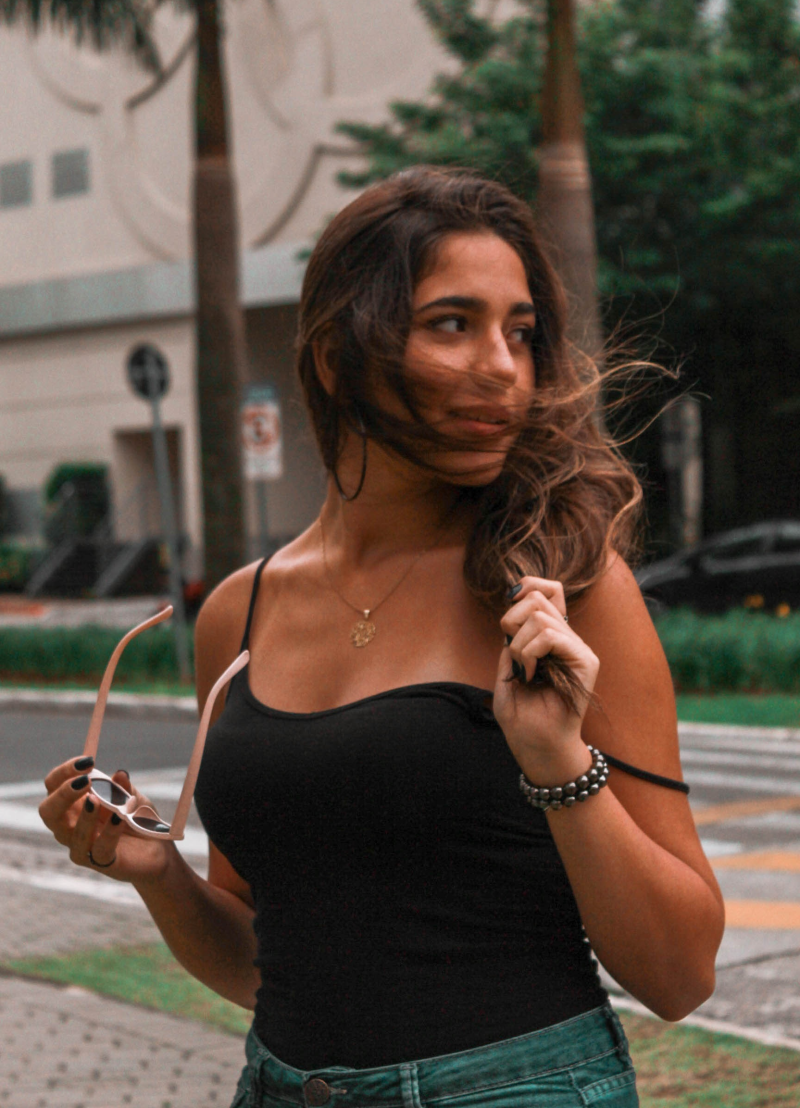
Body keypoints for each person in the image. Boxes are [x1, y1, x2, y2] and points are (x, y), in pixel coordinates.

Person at [40, 167, 724, 1108]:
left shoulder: (561, 586)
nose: (503, 367)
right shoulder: (242, 614)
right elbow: (261, 965)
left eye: (521, 333)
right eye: (453, 323)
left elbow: (681, 975)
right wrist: (157, 873)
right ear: (336, 356)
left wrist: (559, 761)